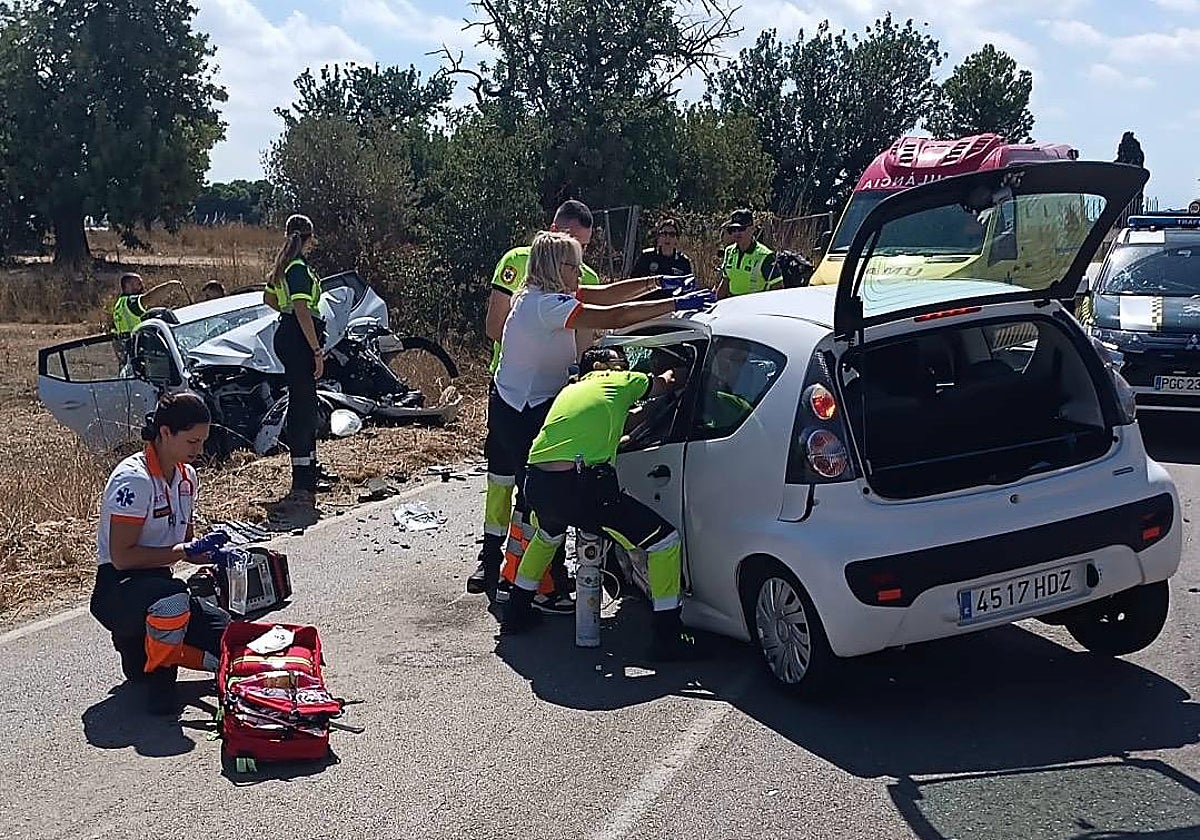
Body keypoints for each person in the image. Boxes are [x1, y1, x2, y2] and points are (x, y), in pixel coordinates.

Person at [474, 231, 711, 611]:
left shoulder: (537, 295)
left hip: (516, 403)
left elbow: (605, 295)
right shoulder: (546, 306)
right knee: (542, 503)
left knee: (539, 502)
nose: (579, 273)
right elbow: (613, 316)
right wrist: (675, 304)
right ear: (556, 268)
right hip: (523, 410)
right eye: (574, 266)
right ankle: (540, 588)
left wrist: (657, 283)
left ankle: (523, 584)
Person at [500, 346, 699, 660]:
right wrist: (690, 373)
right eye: (619, 360)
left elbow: (624, 423)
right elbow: (667, 381)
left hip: (538, 481)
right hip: (581, 487)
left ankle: (516, 612)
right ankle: (667, 636)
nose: (625, 365)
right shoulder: (618, 381)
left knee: (548, 534)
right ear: (600, 365)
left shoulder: (571, 393)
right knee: (664, 541)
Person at [89, 392, 232, 714]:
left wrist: (208, 553)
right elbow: (123, 558)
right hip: (120, 587)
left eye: (203, 441)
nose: (199, 450)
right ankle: (158, 683)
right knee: (172, 601)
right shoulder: (133, 480)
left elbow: (183, 544)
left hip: (160, 583)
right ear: (165, 432)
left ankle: (147, 647)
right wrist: (181, 552)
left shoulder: (187, 477)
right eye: (192, 441)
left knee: (227, 635)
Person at [264, 214, 330, 504]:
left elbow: (268, 299)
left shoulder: (285, 264)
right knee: (303, 408)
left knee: (306, 404)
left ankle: (310, 469)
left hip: (289, 334)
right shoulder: (298, 267)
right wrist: (316, 350)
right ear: (309, 237)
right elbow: (303, 309)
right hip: (299, 338)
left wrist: (287, 312)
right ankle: (303, 477)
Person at [715, 209, 781, 299]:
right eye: (733, 229)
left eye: (741, 229)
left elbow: (778, 288)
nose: (737, 233)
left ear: (752, 229)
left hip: (756, 304)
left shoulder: (765, 256)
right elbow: (725, 281)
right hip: (733, 303)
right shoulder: (729, 251)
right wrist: (718, 302)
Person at [111, 273, 184, 337]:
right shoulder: (130, 302)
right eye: (139, 284)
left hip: (131, 344)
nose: (142, 287)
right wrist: (169, 286)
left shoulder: (119, 303)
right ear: (129, 285)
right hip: (138, 342)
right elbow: (149, 299)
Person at [631, 217, 693, 282]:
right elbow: (633, 281)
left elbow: (688, 284)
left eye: (672, 234)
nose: (667, 238)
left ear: (676, 239)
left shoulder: (683, 262)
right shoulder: (647, 257)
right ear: (659, 237)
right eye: (664, 234)